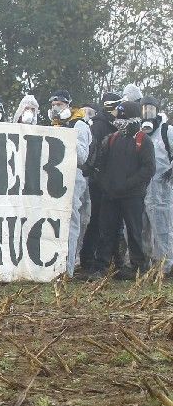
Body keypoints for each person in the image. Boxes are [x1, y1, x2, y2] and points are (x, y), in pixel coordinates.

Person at [90, 101, 156, 279]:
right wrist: (105, 184)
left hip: (133, 195)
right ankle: (102, 267)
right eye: (118, 117)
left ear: (133, 119)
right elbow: (102, 165)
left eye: (123, 117)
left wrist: (127, 184)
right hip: (110, 195)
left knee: (134, 232)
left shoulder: (144, 140)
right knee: (106, 231)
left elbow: (149, 169)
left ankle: (139, 269)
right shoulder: (112, 138)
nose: (119, 120)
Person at [48, 90, 92, 276]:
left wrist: (66, 137)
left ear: (68, 105)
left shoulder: (79, 125)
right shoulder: (52, 125)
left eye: (60, 104)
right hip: (53, 178)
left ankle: (68, 268)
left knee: (71, 221)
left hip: (74, 177)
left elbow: (82, 156)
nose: (56, 108)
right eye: (53, 105)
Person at [79, 92, 122, 273]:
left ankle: (108, 258)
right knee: (97, 220)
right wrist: (98, 173)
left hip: (110, 179)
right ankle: (89, 258)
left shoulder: (113, 125)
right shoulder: (98, 126)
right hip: (99, 180)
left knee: (109, 221)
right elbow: (94, 154)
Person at [142, 95, 173, 273]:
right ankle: (143, 263)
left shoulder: (166, 131)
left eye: (151, 109)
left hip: (162, 190)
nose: (148, 113)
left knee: (163, 229)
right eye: (144, 109)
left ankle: (166, 266)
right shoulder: (139, 132)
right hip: (141, 189)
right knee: (140, 229)